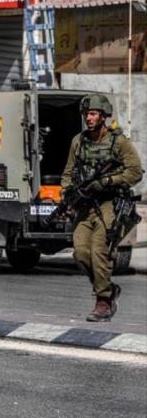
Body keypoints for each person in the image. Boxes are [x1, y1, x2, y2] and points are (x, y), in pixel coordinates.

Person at [61, 94, 143, 322]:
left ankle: (103, 301)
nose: (89, 118)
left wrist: (107, 181)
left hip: (108, 205)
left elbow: (135, 171)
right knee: (80, 253)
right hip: (84, 206)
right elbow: (68, 172)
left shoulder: (119, 142)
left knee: (99, 252)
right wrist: (66, 195)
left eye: (94, 114)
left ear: (103, 116)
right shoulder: (78, 141)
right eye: (87, 114)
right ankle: (108, 288)